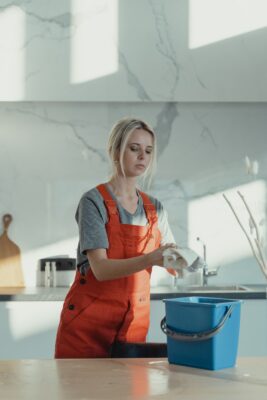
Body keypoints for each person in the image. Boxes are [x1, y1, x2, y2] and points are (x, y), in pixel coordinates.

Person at [55, 117, 177, 358]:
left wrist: (181, 259)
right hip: (87, 328)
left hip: (133, 324)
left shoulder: (155, 208)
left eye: (148, 151)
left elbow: (171, 260)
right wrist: (151, 258)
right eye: (134, 149)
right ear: (114, 151)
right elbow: (100, 269)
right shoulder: (93, 201)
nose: (143, 156)